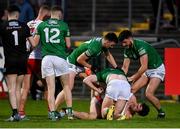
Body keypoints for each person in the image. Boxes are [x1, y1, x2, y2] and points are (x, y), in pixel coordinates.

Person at [55, 32, 118, 110]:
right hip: (72, 64)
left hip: (81, 66)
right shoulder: (95, 48)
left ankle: (94, 110)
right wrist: (91, 67)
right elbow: (79, 59)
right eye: (111, 45)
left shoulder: (102, 43)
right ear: (107, 41)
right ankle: (53, 109)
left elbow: (108, 55)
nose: (111, 47)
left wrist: (116, 67)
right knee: (68, 88)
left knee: (95, 83)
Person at [34, 6, 72, 121]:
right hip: (60, 57)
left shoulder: (41, 25)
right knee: (66, 86)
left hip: (46, 59)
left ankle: (52, 114)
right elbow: (69, 45)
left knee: (51, 88)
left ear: (50, 14)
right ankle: (70, 113)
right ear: (59, 15)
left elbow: (35, 43)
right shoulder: (64, 25)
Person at [119, 30, 165, 118]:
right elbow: (125, 68)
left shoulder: (140, 46)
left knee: (148, 94)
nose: (123, 45)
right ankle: (127, 113)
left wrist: (133, 78)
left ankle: (161, 112)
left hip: (157, 69)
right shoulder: (127, 50)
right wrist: (121, 78)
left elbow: (144, 66)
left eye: (124, 42)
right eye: (122, 43)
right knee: (131, 90)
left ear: (130, 38)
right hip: (147, 71)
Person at [0, 5, 35, 121]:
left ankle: (14, 114)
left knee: (11, 88)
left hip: (10, 59)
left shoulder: (3, 26)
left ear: (7, 13)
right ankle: (19, 114)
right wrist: (28, 52)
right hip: (22, 59)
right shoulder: (24, 25)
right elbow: (33, 44)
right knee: (18, 88)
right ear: (17, 14)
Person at [18, 5, 50, 120]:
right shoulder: (44, 25)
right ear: (46, 14)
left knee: (25, 87)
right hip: (38, 58)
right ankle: (51, 111)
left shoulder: (28, 23)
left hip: (27, 58)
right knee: (48, 86)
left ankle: (21, 112)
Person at [81, 68, 149, 120]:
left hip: (112, 86)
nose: (135, 105)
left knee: (100, 113)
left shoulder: (102, 73)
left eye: (137, 107)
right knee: (111, 114)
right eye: (138, 105)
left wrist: (97, 89)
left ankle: (108, 110)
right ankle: (110, 111)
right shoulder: (120, 73)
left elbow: (86, 80)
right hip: (125, 87)